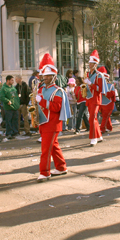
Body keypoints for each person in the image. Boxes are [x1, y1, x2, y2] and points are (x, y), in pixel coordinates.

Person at [35, 54, 71, 182]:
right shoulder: (40, 89)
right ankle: (61, 167)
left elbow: (56, 107)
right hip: (44, 123)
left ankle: (44, 172)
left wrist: (42, 101)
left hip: (52, 123)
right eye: (44, 76)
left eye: (47, 76)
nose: (44, 78)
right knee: (53, 146)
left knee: (46, 149)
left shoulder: (58, 90)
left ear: (54, 77)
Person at [84, 50, 108, 146]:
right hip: (89, 99)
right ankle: (99, 136)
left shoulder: (99, 75)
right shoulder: (88, 74)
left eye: (92, 63)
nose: (90, 65)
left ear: (96, 64)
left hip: (95, 99)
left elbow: (100, 89)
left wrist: (90, 84)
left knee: (92, 118)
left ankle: (94, 137)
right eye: (89, 63)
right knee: (93, 118)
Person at [98, 67, 116, 133]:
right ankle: (109, 127)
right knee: (105, 116)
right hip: (102, 103)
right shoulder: (100, 85)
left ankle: (102, 128)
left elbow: (111, 94)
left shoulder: (111, 85)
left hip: (109, 104)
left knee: (105, 117)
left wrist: (104, 93)